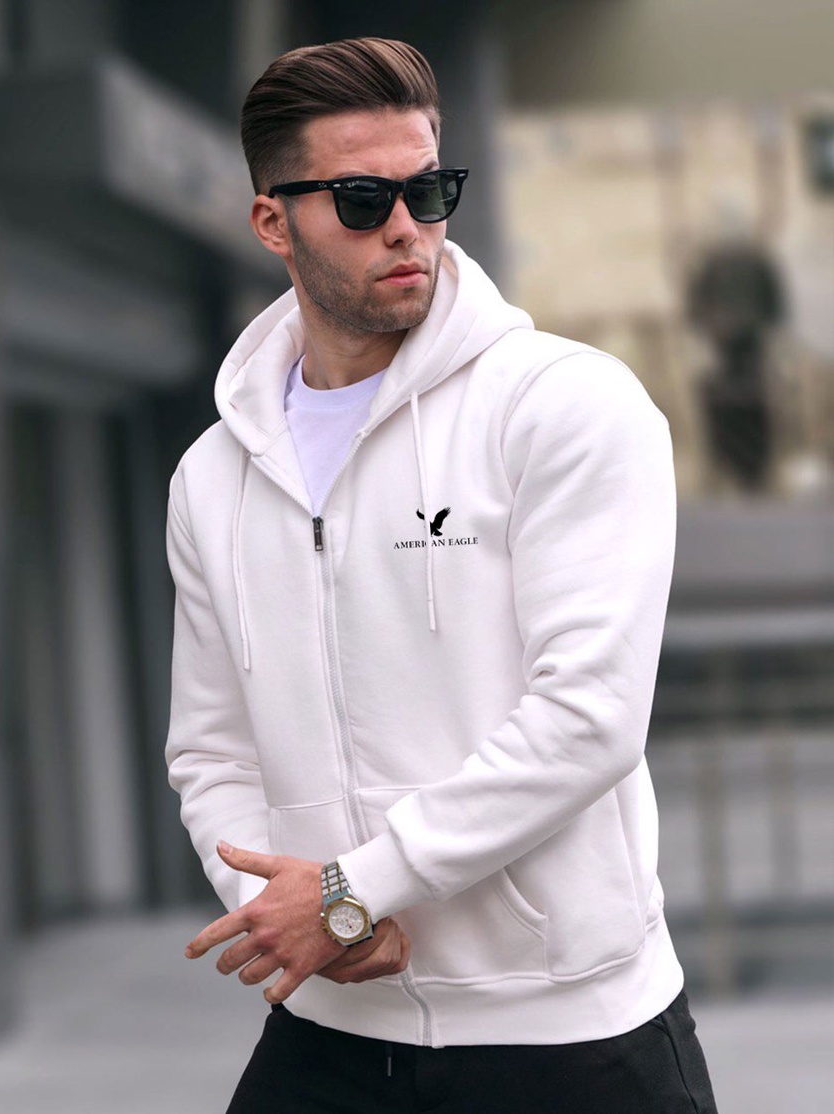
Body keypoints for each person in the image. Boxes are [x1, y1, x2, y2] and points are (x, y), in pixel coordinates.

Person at [165, 37, 718, 1114]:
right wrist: (291, 911)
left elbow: (590, 716)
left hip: (572, 1036)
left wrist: (353, 889)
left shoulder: (563, 406)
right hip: (331, 1031)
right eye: (362, 199)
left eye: (427, 190)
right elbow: (210, 745)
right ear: (272, 222)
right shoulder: (213, 475)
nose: (406, 227)